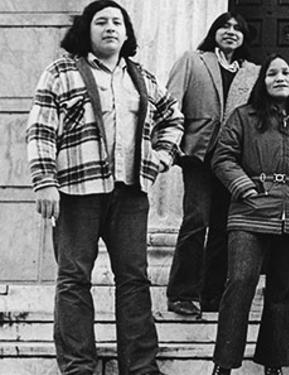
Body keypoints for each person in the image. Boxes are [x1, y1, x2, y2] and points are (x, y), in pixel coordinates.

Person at [25, 1, 184, 373]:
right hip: (75, 191)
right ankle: (78, 366)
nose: (110, 27)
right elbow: (41, 129)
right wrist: (45, 182)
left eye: (117, 21)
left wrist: (163, 154)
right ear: (87, 30)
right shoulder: (61, 72)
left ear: (127, 33)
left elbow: (173, 116)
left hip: (129, 192)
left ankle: (141, 367)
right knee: (73, 279)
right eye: (101, 21)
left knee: (134, 279)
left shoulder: (142, 77)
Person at [210, 54, 289, 375]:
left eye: (286, 74)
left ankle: (274, 364)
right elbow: (223, 158)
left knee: (282, 291)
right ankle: (224, 364)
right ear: (263, 82)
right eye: (272, 74)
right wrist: (244, 187)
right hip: (250, 213)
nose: (280, 78)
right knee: (239, 284)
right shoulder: (243, 117)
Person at [165, 12, 259, 316]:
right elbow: (170, 103)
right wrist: (169, 145)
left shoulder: (253, 71)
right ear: (214, 31)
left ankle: (212, 295)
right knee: (196, 220)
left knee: (224, 227)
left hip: (234, 160)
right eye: (225, 27)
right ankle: (182, 293)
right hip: (199, 154)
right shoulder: (193, 60)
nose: (231, 32)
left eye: (237, 28)